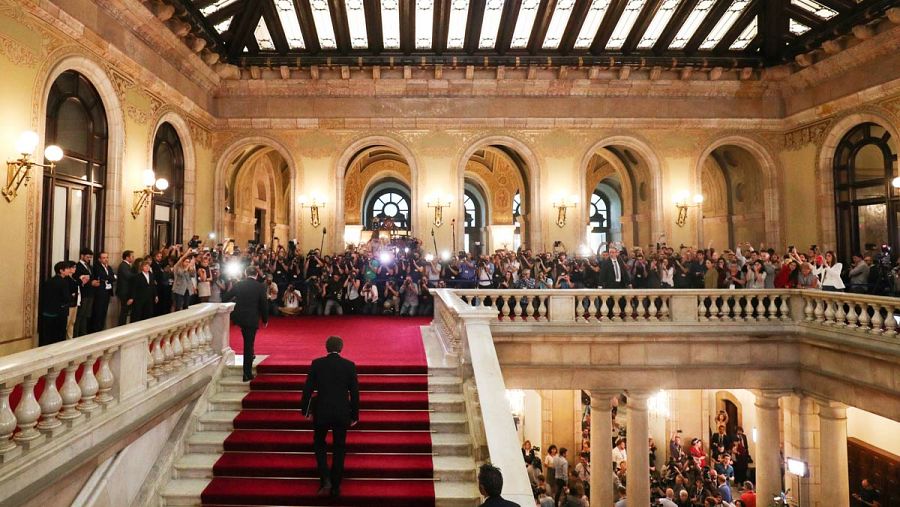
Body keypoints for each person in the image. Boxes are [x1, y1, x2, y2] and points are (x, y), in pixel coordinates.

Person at [300, 336, 360, 499]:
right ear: (341, 348)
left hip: (322, 411)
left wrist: (305, 410)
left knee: (319, 443)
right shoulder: (349, 366)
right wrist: (355, 414)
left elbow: (307, 389)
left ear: (327, 348)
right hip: (341, 412)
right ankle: (335, 486)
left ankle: (324, 478)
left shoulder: (317, 364)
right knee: (339, 447)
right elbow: (354, 393)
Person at [222, 266, 269, 382]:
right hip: (252, 318)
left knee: (248, 342)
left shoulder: (239, 285)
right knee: (248, 345)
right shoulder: (260, 287)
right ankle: (246, 373)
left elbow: (225, 297)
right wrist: (265, 319)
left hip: (240, 318)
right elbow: (264, 304)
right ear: (256, 275)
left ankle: (251, 357)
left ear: (245, 273)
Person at [39, 261, 75, 346]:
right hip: (60, 312)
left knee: (48, 336)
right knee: (59, 336)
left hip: (48, 312)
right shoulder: (63, 282)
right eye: (67, 269)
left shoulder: (50, 281)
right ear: (61, 271)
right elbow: (66, 298)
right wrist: (72, 296)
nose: (69, 270)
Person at [89, 251, 116, 333]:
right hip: (100, 292)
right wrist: (111, 277)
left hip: (107, 292)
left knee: (104, 311)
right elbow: (103, 276)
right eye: (103, 258)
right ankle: (95, 330)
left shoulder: (109, 267)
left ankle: (101, 329)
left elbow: (112, 277)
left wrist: (110, 277)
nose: (106, 259)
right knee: (98, 312)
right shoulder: (97, 267)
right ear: (99, 259)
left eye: (107, 257)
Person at [73, 248, 95, 337]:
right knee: (80, 315)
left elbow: (91, 277)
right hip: (83, 293)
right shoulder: (77, 266)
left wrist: (93, 282)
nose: (89, 259)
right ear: (82, 256)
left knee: (86, 315)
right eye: (87, 257)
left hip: (90, 293)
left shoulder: (89, 266)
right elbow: (77, 279)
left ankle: (83, 333)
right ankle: (76, 335)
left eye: (90, 258)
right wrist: (90, 282)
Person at [116, 250, 136, 326]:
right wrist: (138, 275)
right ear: (127, 257)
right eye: (132, 256)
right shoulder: (123, 265)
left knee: (126, 311)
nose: (133, 258)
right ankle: (121, 327)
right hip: (124, 292)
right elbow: (128, 276)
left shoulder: (127, 265)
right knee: (124, 311)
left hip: (126, 291)